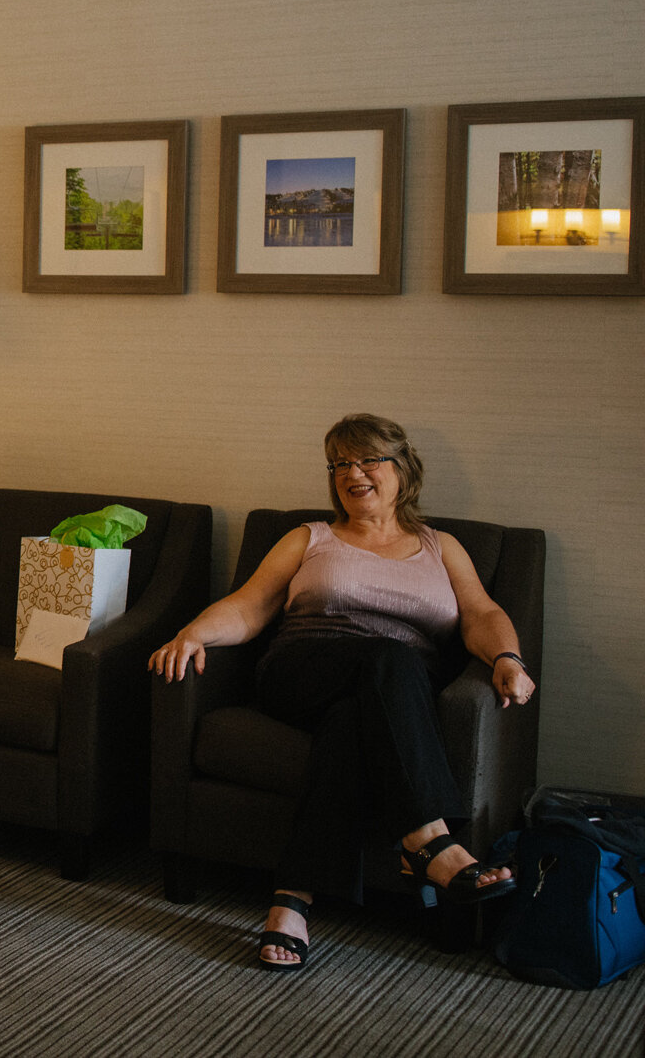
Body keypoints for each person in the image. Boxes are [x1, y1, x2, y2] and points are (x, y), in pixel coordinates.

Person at [149, 413, 535, 974]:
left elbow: (481, 612)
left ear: (403, 469)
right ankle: (431, 842)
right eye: (339, 464)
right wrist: (193, 633)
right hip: (302, 669)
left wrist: (506, 657)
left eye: (367, 459)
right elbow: (251, 605)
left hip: (395, 691)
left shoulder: (440, 546)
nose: (352, 473)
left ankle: (292, 901)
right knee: (388, 657)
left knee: (353, 723)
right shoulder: (312, 538)